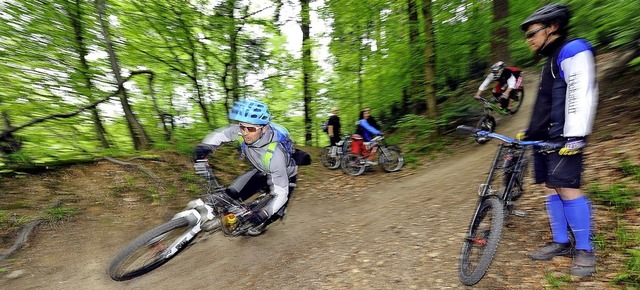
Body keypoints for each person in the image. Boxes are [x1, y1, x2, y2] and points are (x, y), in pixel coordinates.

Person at [519, 3, 598, 277]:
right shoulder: (550, 60)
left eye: (532, 34)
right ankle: (562, 241)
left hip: (565, 138)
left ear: (552, 27)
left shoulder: (572, 49)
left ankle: (585, 249)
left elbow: (580, 92)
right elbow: (546, 103)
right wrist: (530, 134)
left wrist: (575, 136)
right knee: (549, 188)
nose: (529, 40)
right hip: (545, 139)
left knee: (567, 189)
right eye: (526, 36)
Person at [194, 99, 298, 234]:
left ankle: (262, 222)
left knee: (274, 213)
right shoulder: (244, 131)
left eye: (251, 129)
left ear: (264, 128)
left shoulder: (276, 154)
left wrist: (264, 214)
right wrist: (206, 146)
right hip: (262, 169)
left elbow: (281, 194)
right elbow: (222, 134)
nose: (245, 132)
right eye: (242, 127)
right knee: (230, 194)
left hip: (285, 176)